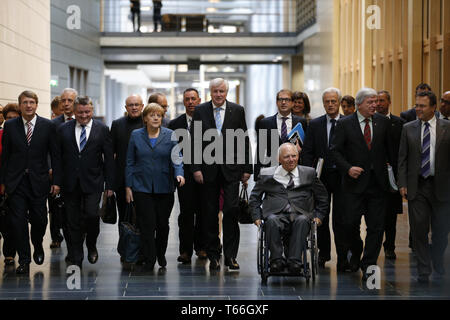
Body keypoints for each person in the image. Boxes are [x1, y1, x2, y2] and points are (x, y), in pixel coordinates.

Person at [190, 78, 253, 270]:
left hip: (232, 170)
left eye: (222, 91)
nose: (219, 95)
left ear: (227, 93)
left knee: (231, 212)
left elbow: (243, 139)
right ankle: (214, 255)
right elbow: (193, 141)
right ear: (210, 92)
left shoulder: (237, 110)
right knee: (209, 214)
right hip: (207, 170)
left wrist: (247, 168)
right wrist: (195, 168)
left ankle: (231, 256)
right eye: (215, 91)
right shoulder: (200, 110)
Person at [331, 87, 392, 280]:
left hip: (377, 184)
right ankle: (356, 252)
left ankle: (369, 264)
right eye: (371, 102)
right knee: (349, 225)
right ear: (359, 105)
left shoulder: (383, 122)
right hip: (353, 184)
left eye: (376, 102)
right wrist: (348, 168)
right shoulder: (345, 124)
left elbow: (390, 150)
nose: (375, 105)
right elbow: (335, 151)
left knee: (376, 227)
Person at [0, 91, 61, 275]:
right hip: (17, 182)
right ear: (20, 106)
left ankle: (38, 244)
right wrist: (3, 182)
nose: (28, 105)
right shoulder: (10, 126)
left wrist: (56, 181)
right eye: (25, 102)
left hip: (39, 181)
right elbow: (6, 156)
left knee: (40, 220)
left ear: (36, 105)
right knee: (18, 222)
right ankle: (24, 260)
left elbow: (55, 155)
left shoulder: (48, 126)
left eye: (32, 102)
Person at [249, 143, 328, 273]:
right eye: (287, 157)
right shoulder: (267, 174)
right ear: (279, 159)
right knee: (272, 221)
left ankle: (295, 261)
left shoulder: (309, 173)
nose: (291, 159)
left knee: (302, 220)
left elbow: (323, 197)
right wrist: (256, 217)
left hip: (300, 213)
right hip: (276, 214)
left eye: (294, 156)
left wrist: (319, 216)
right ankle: (276, 260)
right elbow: (254, 197)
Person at [398, 91, 450, 283]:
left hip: (442, 187)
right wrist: (402, 183)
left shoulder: (447, 127)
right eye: (416, 105)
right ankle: (423, 270)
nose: (417, 109)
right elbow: (402, 158)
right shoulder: (408, 128)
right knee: (419, 230)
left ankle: (437, 259)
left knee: (441, 231)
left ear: (433, 108)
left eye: (422, 106)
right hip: (417, 186)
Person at [57, 96, 114, 268]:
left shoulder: (102, 129)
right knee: (72, 220)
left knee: (91, 215)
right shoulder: (63, 129)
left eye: (87, 112)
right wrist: (57, 182)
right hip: (70, 183)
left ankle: (91, 244)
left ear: (92, 111)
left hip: (93, 181)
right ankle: (76, 256)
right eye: (80, 112)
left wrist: (109, 185)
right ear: (74, 112)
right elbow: (58, 158)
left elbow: (109, 159)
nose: (83, 115)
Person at [125, 103, 184, 269]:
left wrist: (179, 174)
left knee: (162, 224)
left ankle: (160, 253)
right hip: (141, 187)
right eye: (152, 115)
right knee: (147, 224)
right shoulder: (136, 135)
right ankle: (150, 258)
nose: (156, 118)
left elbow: (177, 158)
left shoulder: (170, 134)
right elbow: (130, 161)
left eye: (159, 115)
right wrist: (128, 186)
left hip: (164, 186)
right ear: (145, 118)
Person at [302, 87, 346, 270]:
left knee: (342, 218)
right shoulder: (315, 124)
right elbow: (307, 151)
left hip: (343, 176)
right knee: (321, 216)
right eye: (327, 101)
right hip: (321, 176)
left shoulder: (348, 123)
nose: (330, 104)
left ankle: (343, 256)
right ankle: (324, 253)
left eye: (333, 101)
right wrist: (307, 173)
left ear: (339, 103)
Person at [168, 88, 207, 264]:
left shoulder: (208, 122)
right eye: (187, 99)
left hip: (205, 174)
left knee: (203, 211)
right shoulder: (175, 124)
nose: (190, 102)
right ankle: (185, 250)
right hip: (184, 175)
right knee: (186, 213)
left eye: (193, 98)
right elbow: (172, 151)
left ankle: (201, 247)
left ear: (199, 100)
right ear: (183, 102)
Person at [110, 94, 144, 256]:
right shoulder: (117, 125)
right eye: (131, 105)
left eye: (137, 104)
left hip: (144, 180)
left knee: (144, 217)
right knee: (124, 217)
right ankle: (126, 251)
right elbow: (111, 154)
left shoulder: (149, 122)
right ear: (126, 108)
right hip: (123, 181)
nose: (134, 107)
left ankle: (143, 250)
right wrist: (109, 183)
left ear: (142, 106)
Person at [376, 90, 405, 260]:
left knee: (391, 215)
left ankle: (390, 246)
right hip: (375, 176)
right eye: (377, 100)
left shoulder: (399, 123)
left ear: (389, 102)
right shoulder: (372, 122)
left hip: (393, 176)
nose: (379, 104)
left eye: (382, 100)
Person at [254, 90, 307, 180]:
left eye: (287, 99)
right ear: (276, 102)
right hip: (272, 170)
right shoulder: (265, 123)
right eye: (280, 99)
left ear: (292, 103)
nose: (283, 102)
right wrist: (257, 175)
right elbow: (260, 150)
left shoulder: (301, 122)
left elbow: (305, 147)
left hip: (294, 170)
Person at [50, 88, 78, 251]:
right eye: (63, 100)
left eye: (70, 100)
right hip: (60, 177)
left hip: (81, 177)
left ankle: (79, 241)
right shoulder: (53, 124)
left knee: (81, 215)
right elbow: (49, 149)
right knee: (62, 212)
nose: (66, 104)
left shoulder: (84, 120)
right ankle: (70, 247)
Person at [0, 103, 21, 265]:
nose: (10, 121)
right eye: (8, 118)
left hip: (8, 183)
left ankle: (9, 253)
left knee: (8, 220)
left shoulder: (18, 136)